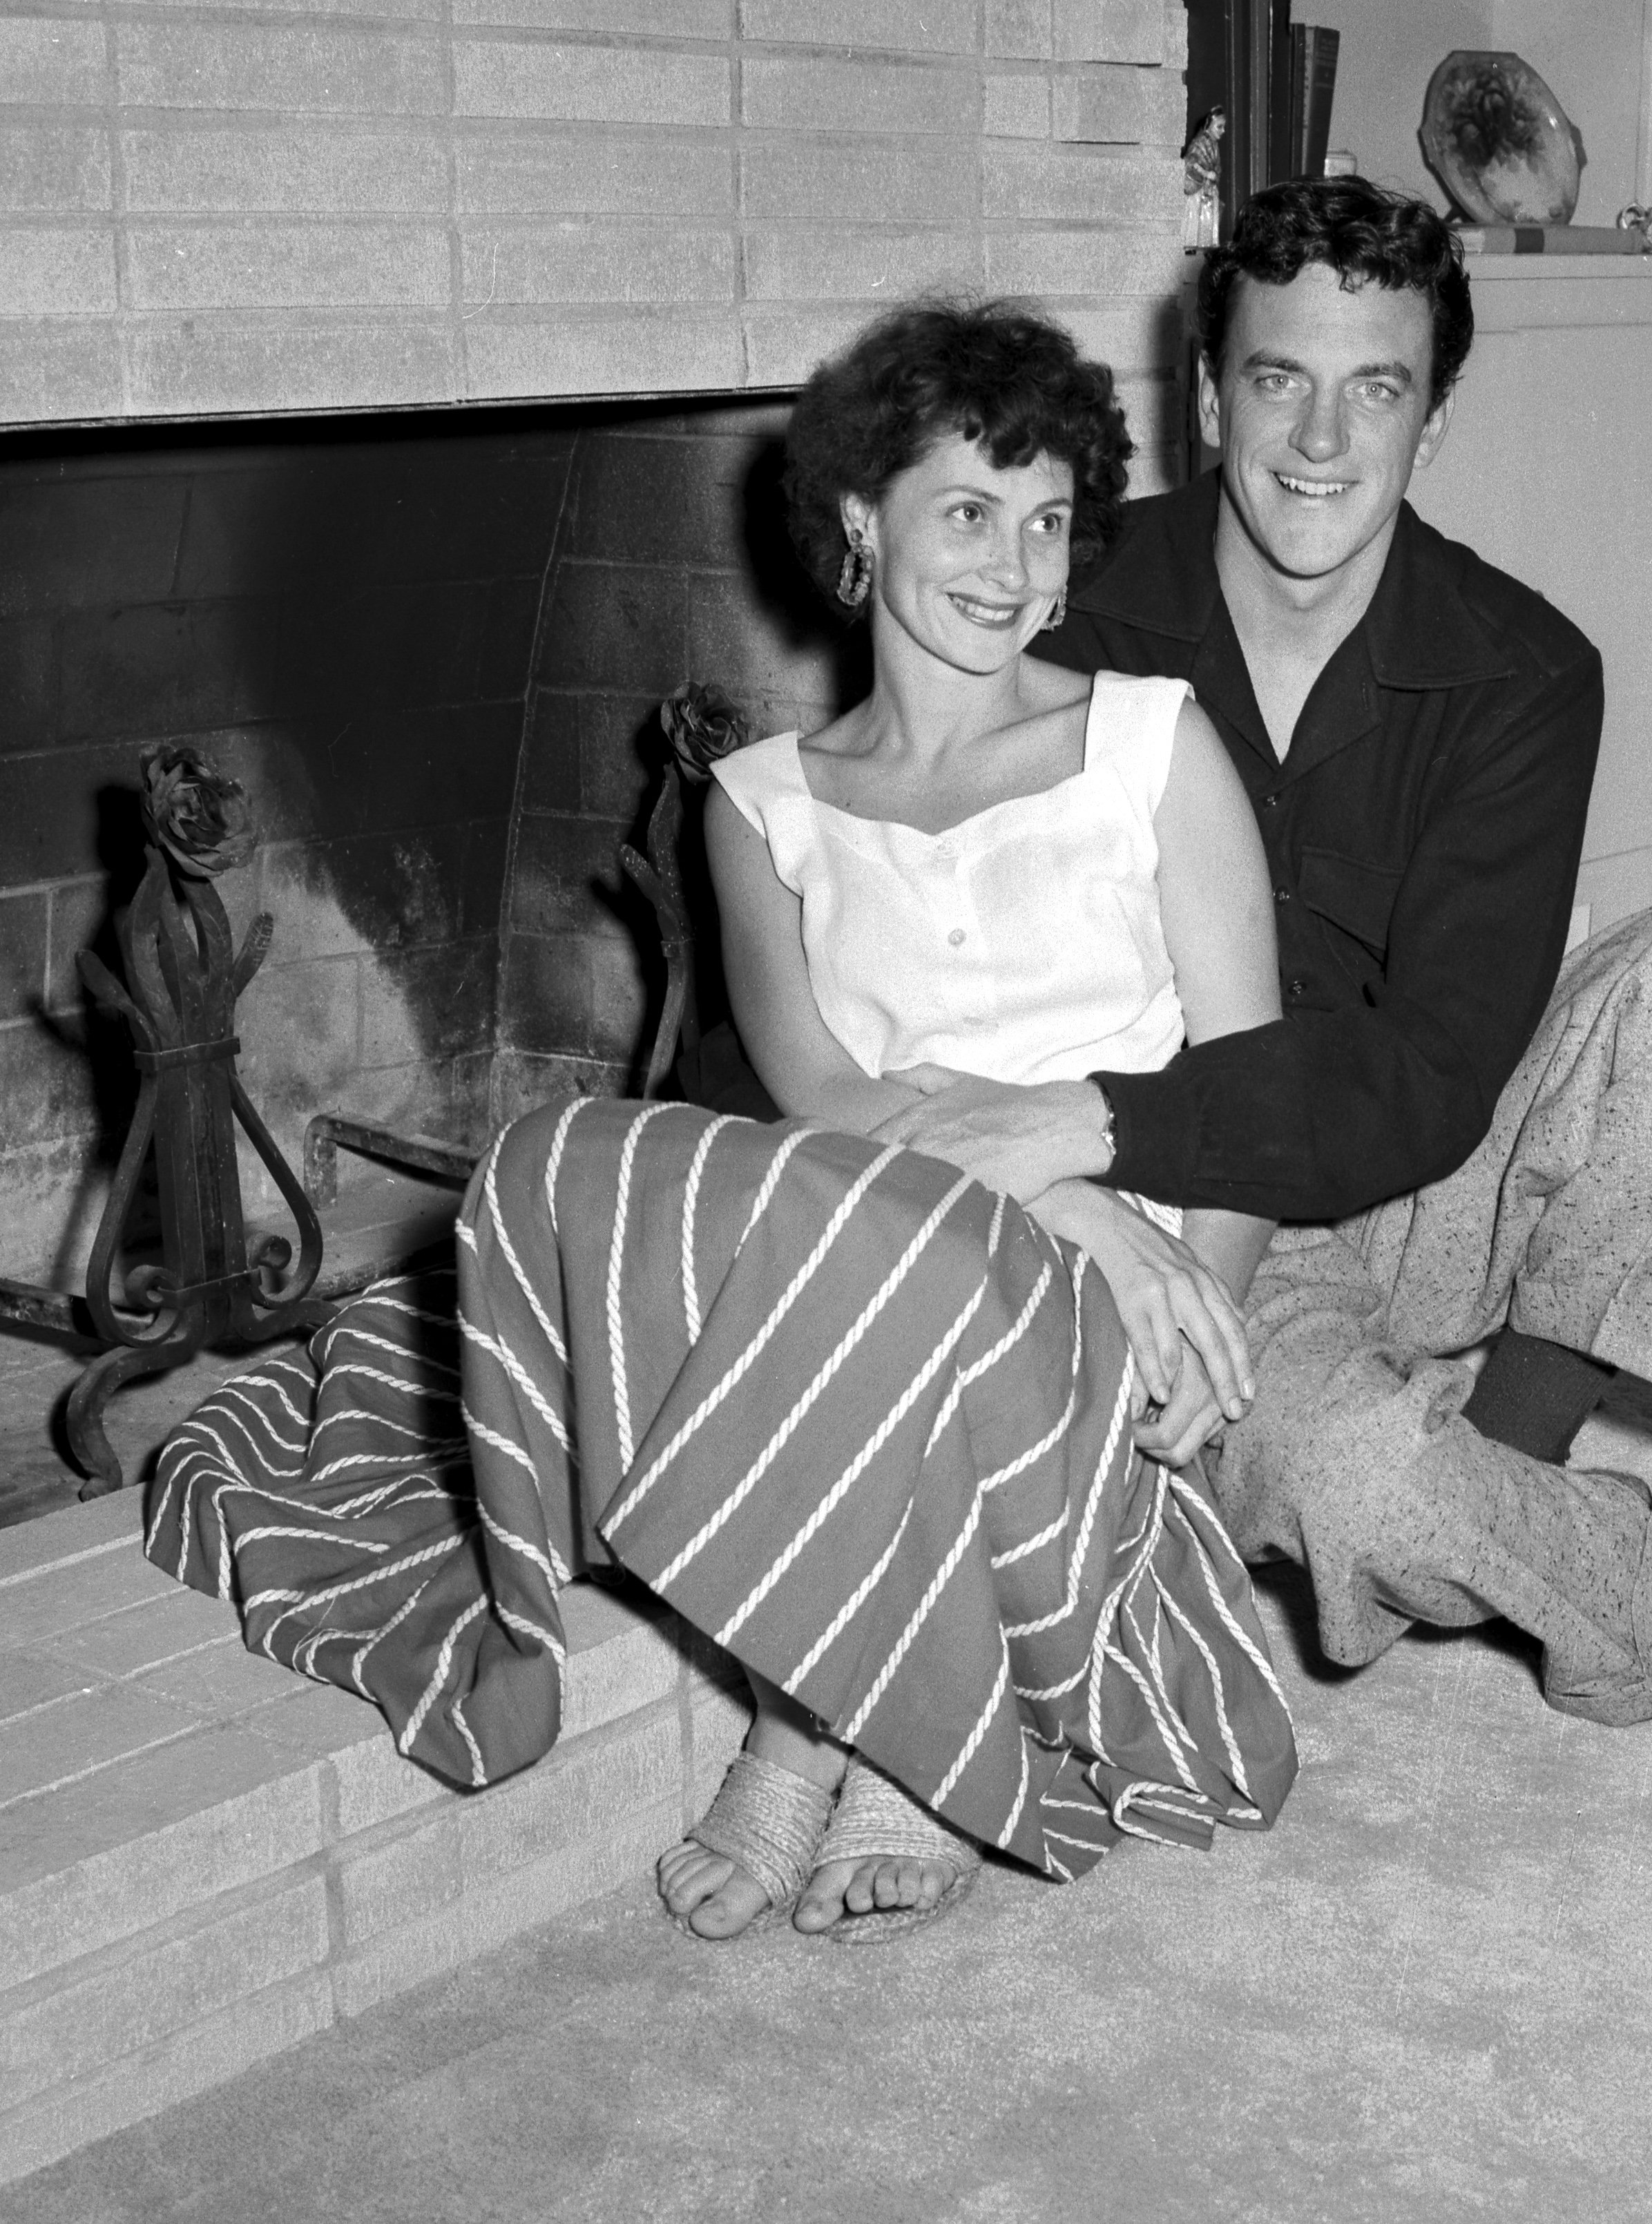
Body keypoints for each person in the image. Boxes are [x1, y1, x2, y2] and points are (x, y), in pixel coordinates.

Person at [148, 300, 1298, 1950]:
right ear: (858, 520)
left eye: (1047, 521)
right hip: (912, 1225)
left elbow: (1247, 1085)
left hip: (1115, 1290)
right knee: (567, 1158)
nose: (1014, 564)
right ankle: (866, 1673)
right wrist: (1056, 1185)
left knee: (871, 1234)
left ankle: (814, 1725)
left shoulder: (1145, 743)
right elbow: (832, 1099)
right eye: (967, 511)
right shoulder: (760, 802)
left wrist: (1199, 1327)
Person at [858, 175, 1652, 1722]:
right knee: (1360, 1487)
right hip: (1206, 1221)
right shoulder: (1060, 603)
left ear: (1432, 426)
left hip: (1428, 1161)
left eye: (1377, 392)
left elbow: (1438, 1066)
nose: (1319, 443)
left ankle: (1519, 1450)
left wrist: (1084, 1114)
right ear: (1210, 399)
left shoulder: (1522, 666)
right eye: (1278, 380)